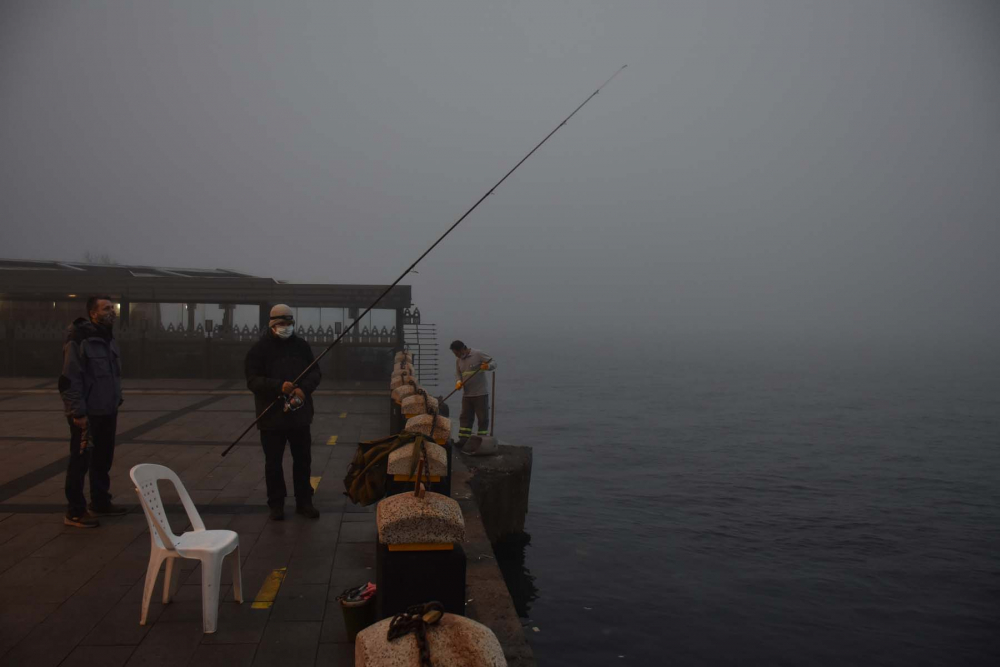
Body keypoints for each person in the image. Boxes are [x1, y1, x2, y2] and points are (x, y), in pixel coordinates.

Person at [245, 304, 321, 520]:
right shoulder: (259, 350)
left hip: (299, 415)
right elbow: (253, 380)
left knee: (303, 460)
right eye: (281, 324)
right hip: (271, 418)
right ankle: (276, 505)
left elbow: (315, 372)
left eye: (289, 324)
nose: (285, 328)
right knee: (273, 463)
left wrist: (303, 389)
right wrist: (278, 386)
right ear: (272, 325)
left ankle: (304, 502)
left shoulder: (302, 346)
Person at [58, 296, 127, 528]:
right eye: (106, 308)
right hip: (87, 413)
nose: (111, 312)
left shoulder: (108, 339)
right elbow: (70, 378)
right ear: (92, 313)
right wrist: (77, 412)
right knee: (80, 461)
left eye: (112, 308)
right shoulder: (79, 339)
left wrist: (117, 398)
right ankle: (75, 511)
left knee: (103, 459)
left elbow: (112, 373)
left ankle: (100, 501)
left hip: (107, 409)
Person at [450, 340, 496, 447]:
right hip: (467, 394)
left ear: (462, 349)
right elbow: (458, 374)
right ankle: (463, 440)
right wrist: (458, 382)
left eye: (456, 353)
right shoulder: (458, 361)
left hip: (480, 393)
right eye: (455, 354)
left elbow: (494, 362)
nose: (456, 356)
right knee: (465, 417)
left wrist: (487, 366)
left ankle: (481, 440)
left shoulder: (478, 354)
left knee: (482, 418)